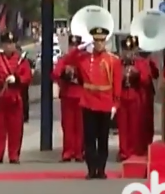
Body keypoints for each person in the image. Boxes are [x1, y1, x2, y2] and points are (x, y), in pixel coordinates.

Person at [59, 28, 122, 179]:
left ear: (105, 41)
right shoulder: (84, 59)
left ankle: (101, 168)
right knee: (89, 138)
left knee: (102, 138)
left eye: (101, 40)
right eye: (96, 41)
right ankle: (91, 169)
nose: (99, 44)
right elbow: (66, 61)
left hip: (105, 103)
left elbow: (117, 83)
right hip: (88, 101)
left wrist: (116, 104)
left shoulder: (112, 60)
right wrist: (79, 48)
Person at [0, 33, 32, 164]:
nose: (9, 46)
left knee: (16, 129)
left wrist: (17, 79)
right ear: (2, 45)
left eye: (12, 43)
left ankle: (14, 155)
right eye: (6, 44)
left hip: (15, 97)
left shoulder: (21, 60)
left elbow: (27, 76)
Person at [117, 36, 153, 160]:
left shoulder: (141, 63)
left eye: (131, 50)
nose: (128, 54)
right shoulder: (118, 63)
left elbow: (146, 80)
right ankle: (124, 151)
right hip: (122, 95)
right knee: (123, 125)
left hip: (135, 94)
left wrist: (136, 74)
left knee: (135, 125)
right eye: (126, 51)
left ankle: (135, 150)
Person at [52, 34, 85, 162]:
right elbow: (54, 74)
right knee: (67, 125)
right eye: (72, 46)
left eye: (76, 46)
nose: (73, 49)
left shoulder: (84, 59)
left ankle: (78, 152)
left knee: (80, 126)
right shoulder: (64, 59)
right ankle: (68, 151)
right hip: (67, 95)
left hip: (81, 95)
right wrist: (64, 71)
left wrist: (77, 72)